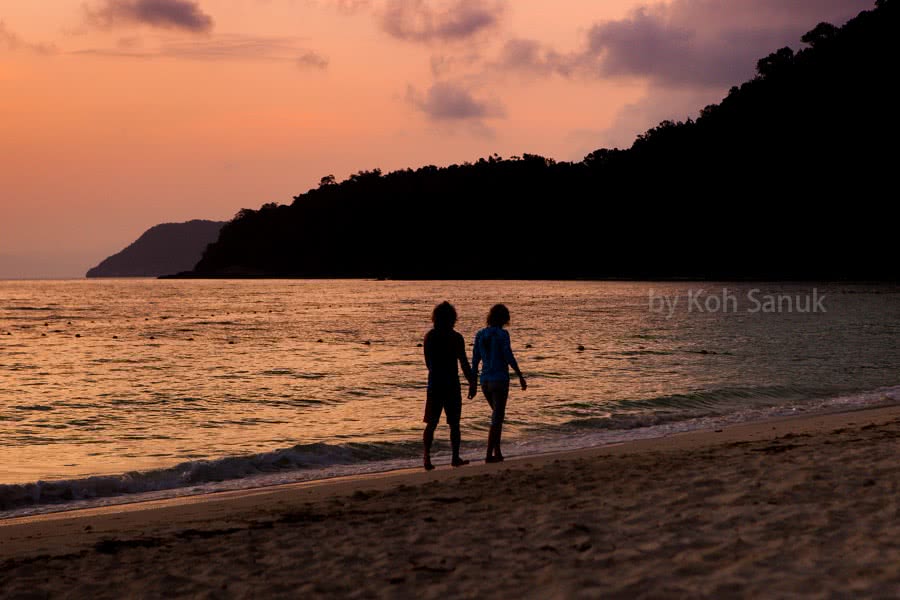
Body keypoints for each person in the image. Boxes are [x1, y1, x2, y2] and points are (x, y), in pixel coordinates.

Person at [422, 301, 476, 470]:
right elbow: (464, 364)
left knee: (431, 423)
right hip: (452, 384)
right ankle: (454, 457)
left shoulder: (430, 336)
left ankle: (427, 458)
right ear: (452, 318)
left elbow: (428, 363)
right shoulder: (456, 337)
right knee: (454, 424)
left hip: (435, 384)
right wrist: (472, 382)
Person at [471, 304, 526, 463]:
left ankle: (498, 452)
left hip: (485, 381)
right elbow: (508, 356)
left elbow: (475, 361)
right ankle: (489, 454)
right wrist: (520, 375)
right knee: (497, 417)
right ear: (504, 318)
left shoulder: (480, 334)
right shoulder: (503, 334)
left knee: (497, 415)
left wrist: (473, 383)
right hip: (500, 380)